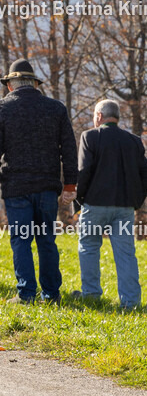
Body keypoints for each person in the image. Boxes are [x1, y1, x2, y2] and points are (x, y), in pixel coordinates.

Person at [0, 59, 78, 304]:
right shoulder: (56, 109)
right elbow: (68, 149)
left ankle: (25, 294)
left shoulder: (0, 109)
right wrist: (70, 185)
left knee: (21, 240)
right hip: (47, 188)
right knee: (46, 240)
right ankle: (51, 294)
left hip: (16, 188)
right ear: (35, 84)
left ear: (10, 86)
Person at [73, 99, 147, 310]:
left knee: (88, 247)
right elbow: (144, 174)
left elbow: (84, 171)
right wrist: (136, 201)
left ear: (99, 116)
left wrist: (80, 200)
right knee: (125, 253)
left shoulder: (90, 136)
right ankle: (131, 302)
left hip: (95, 204)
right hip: (124, 207)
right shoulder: (134, 141)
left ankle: (91, 295)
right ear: (117, 117)